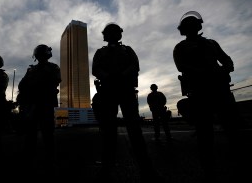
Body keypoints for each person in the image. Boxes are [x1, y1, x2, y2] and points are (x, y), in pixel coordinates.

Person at [92, 23, 163, 181]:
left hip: (125, 90)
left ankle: (146, 168)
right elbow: (95, 69)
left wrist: (121, 75)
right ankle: (106, 169)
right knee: (109, 131)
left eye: (113, 32)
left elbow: (135, 65)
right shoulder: (101, 52)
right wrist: (109, 77)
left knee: (134, 130)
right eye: (109, 32)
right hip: (109, 91)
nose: (111, 35)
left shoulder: (127, 50)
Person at [173, 11, 240, 180]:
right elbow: (182, 66)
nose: (191, 29)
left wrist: (223, 70)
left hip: (219, 89)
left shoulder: (211, 44)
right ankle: (208, 167)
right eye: (188, 26)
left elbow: (227, 60)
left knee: (231, 127)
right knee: (205, 132)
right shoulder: (181, 47)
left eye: (192, 26)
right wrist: (205, 72)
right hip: (200, 92)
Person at [17, 44, 61, 177]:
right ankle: (28, 160)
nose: (41, 57)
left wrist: (35, 86)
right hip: (32, 103)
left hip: (46, 103)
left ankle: (50, 160)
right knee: (30, 134)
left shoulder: (53, 67)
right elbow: (22, 85)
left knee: (48, 133)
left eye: (43, 54)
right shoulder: (31, 69)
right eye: (39, 55)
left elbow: (55, 81)